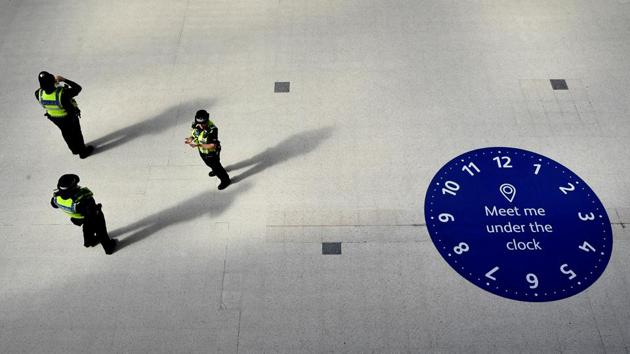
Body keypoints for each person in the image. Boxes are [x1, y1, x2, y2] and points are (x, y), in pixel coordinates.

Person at [51, 174, 117, 255]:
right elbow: (91, 212)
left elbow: (54, 205)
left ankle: (89, 241)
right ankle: (108, 247)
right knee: (101, 231)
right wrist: (97, 209)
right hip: (92, 216)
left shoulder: (56, 198)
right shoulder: (82, 199)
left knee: (87, 228)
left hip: (77, 218)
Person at [35, 71, 94, 158]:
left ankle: (74, 150)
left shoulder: (38, 94)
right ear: (53, 81)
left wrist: (51, 84)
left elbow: (46, 91)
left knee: (66, 134)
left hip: (54, 118)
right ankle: (83, 152)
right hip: (68, 118)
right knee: (76, 134)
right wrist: (63, 80)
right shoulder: (63, 93)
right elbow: (78, 88)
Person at [184, 110, 231, 190]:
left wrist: (198, 145)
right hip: (202, 151)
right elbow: (195, 134)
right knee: (209, 164)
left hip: (212, 152)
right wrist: (190, 138)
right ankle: (214, 170)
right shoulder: (195, 124)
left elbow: (213, 145)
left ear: (207, 120)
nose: (201, 126)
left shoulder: (212, 129)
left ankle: (225, 180)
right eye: (199, 123)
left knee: (216, 166)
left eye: (203, 123)